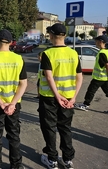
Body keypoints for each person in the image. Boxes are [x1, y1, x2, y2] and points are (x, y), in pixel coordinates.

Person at [39, 23, 83, 169]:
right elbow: (79, 78)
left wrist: (57, 96)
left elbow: (49, 78)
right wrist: (74, 97)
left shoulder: (48, 54)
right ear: (65, 36)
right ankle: (68, 159)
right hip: (69, 98)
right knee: (65, 128)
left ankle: (52, 159)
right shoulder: (73, 53)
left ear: (51, 35)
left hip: (49, 98)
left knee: (50, 128)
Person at [0, 29, 27, 169]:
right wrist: (12, 103)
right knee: (14, 135)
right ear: (11, 43)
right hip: (14, 105)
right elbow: (23, 83)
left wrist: (1, 103)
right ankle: (16, 165)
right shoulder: (18, 59)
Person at [74, 35, 108, 111]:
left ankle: (85, 104)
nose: (95, 42)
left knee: (91, 91)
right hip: (104, 78)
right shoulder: (106, 52)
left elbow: (107, 65)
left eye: (96, 41)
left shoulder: (102, 53)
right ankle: (85, 104)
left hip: (99, 77)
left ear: (101, 42)